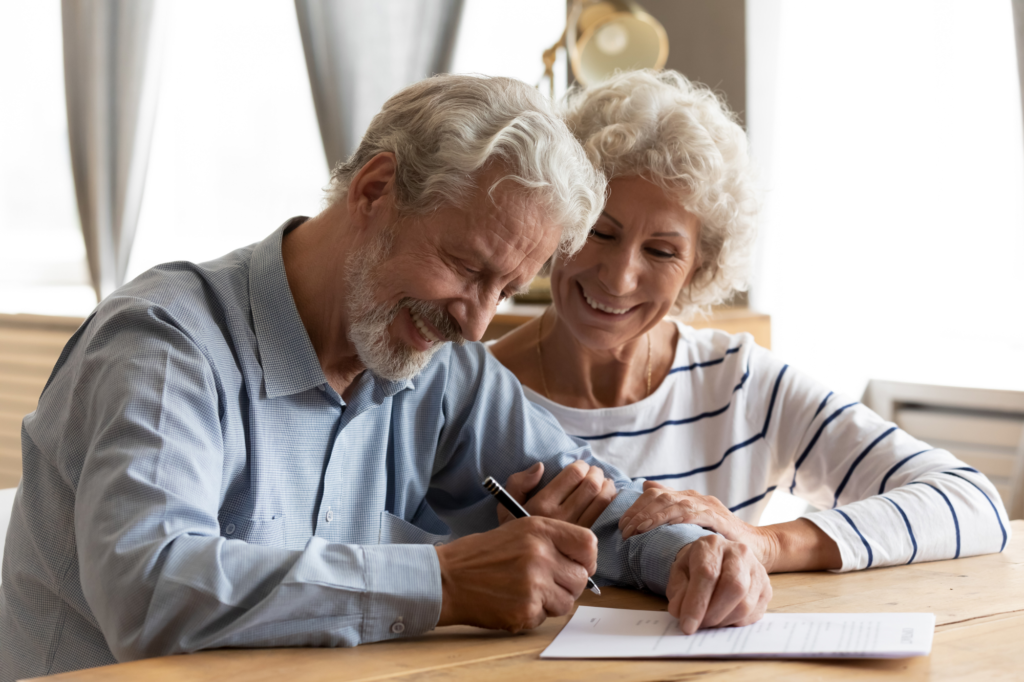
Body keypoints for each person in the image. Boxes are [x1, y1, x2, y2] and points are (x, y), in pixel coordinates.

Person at [0, 74, 771, 682]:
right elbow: (149, 590)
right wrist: (444, 580)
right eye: (466, 268)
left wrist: (693, 554)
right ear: (374, 192)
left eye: (505, 291)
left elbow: (597, 498)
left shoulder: (436, 358)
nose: (476, 324)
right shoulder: (167, 343)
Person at [491, 69, 1010, 580]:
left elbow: (971, 501)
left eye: (662, 250)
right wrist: (491, 549)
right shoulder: (466, 392)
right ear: (555, 221)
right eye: (601, 232)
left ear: (701, 264)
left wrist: (763, 542)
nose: (620, 277)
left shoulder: (738, 383)